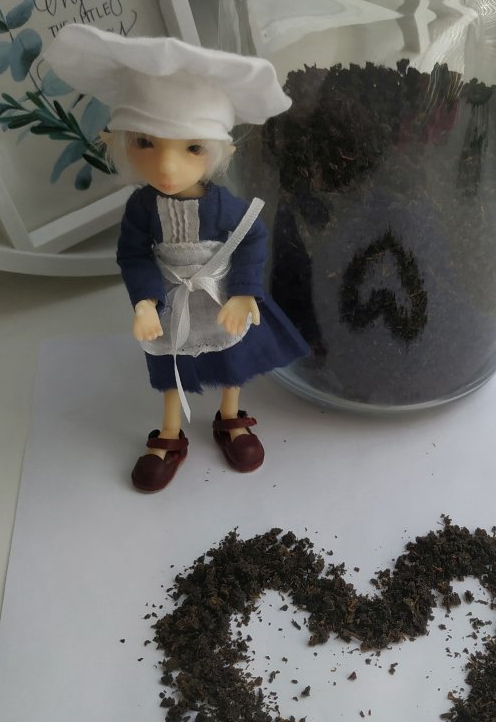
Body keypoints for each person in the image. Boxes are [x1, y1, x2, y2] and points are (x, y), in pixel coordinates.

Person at [44, 24, 308, 493]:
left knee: (232, 355)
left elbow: (252, 237)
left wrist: (244, 292)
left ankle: (230, 416)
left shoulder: (224, 205)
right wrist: (145, 301)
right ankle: (169, 433)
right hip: (170, 300)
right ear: (121, 141)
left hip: (219, 295)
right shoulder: (141, 208)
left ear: (219, 152)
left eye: (192, 148)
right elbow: (133, 254)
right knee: (169, 364)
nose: (167, 167)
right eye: (145, 143)